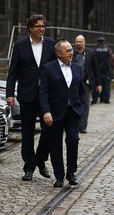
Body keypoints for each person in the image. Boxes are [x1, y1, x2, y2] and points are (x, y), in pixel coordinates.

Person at [6, 14, 55, 181]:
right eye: (38, 26)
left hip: (46, 96)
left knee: (48, 131)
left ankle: (40, 160)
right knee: (27, 133)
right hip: (27, 95)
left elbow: (56, 69)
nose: (41, 29)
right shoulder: (20, 45)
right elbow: (12, 72)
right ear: (30, 28)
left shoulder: (50, 44)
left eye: (43, 26)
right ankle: (28, 167)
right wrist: (9, 94)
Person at [39, 39, 86, 188]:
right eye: (68, 51)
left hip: (73, 112)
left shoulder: (78, 68)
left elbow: (82, 91)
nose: (71, 52)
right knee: (55, 145)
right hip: (54, 113)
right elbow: (43, 92)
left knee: (73, 140)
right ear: (59, 53)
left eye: (71, 50)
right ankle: (59, 176)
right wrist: (46, 111)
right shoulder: (48, 68)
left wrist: (82, 107)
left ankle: (71, 173)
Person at [73, 35, 102, 133]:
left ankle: (82, 126)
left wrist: (98, 84)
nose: (78, 43)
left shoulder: (91, 53)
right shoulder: (71, 53)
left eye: (80, 41)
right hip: (73, 83)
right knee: (74, 103)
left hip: (86, 83)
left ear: (84, 42)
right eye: (77, 41)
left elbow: (96, 69)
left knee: (85, 104)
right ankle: (74, 124)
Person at [92, 36, 114, 104]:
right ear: (104, 42)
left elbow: (92, 60)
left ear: (98, 42)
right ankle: (106, 99)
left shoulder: (95, 50)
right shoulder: (108, 50)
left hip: (97, 70)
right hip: (106, 70)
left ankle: (95, 99)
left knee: (96, 85)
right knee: (106, 86)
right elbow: (111, 61)